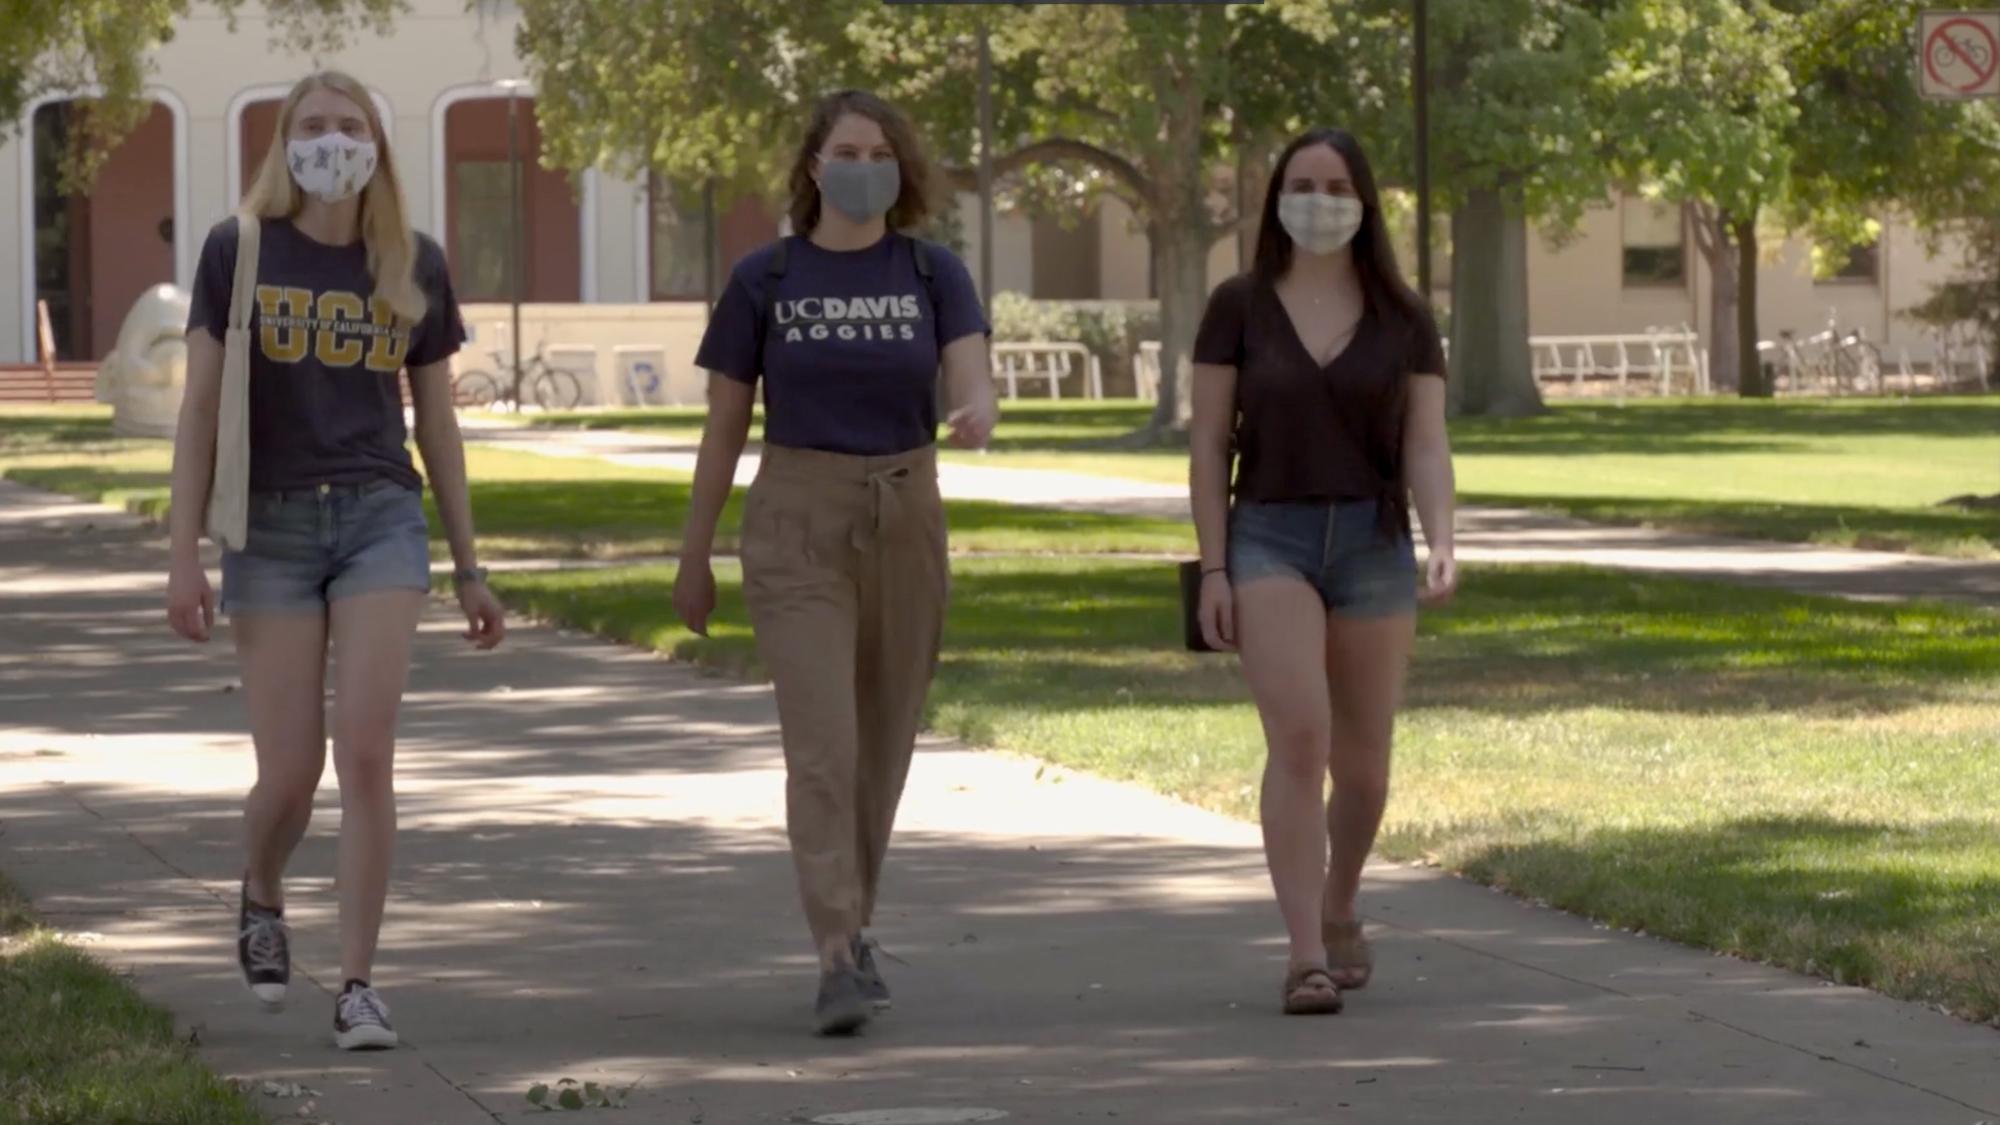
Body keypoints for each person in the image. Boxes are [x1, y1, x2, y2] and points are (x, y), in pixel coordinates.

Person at [164, 70, 505, 1050]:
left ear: (376, 146)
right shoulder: (240, 250)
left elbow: (437, 422)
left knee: (364, 751)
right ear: (283, 145)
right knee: (290, 777)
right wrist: (183, 556)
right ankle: (262, 886)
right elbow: (197, 409)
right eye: (312, 127)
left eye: (349, 127)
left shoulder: (412, 260)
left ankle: (358, 982)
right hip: (266, 527)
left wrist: (470, 565)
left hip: (378, 520)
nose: (332, 142)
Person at [672, 88, 999, 1036]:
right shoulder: (766, 278)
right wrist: (694, 556)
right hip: (796, 517)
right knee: (823, 744)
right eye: (849, 149)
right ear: (815, 166)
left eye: (883, 150)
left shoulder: (933, 273)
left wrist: (976, 410)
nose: (867, 164)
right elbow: (725, 424)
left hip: (905, 507)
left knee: (882, 739)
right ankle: (833, 950)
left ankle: (855, 925)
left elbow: (970, 370)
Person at [1188, 128, 1457, 1016]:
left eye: (1337, 184)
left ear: (1365, 200)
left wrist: (1442, 534)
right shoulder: (1238, 304)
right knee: (1299, 737)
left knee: (1366, 764)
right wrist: (1216, 567)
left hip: (1375, 544)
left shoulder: (1405, 318)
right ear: (1276, 199)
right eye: (1301, 183)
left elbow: (1426, 441)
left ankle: (1342, 899)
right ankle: (1305, 951)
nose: (1319, 198)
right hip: (1269, 536)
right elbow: (1204, 449)